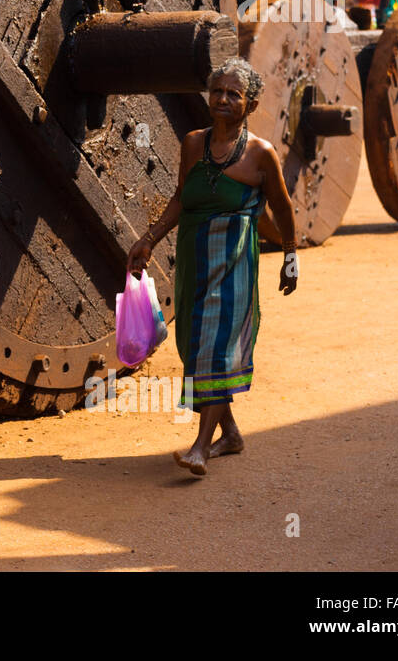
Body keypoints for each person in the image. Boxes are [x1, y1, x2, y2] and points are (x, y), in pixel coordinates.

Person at [126, 57, 298, 477]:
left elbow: (281, 205)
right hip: (193, 260)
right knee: (194, 347)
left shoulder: (261, 154)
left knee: (218, 351)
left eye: (233, 94)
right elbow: (183, 197)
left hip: (235, 263)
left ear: (251, 104)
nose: (222, 99)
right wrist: (148, 240)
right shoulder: (192, 144)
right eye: (217, 91)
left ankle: (200, 446)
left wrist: (291, 254)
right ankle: (232, 435)